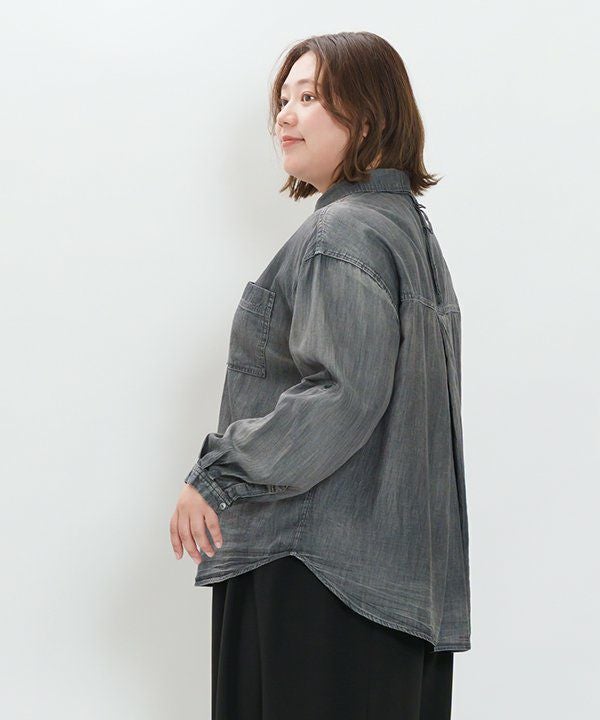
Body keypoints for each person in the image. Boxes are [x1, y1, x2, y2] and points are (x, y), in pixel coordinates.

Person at [170, 31, 471, 720]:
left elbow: (343, 394)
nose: (285, 114)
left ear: (368, 116)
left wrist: (217, 475)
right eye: (283, 98)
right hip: (397, 591)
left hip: (317, 575)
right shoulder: (410, 235)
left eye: (309, 97)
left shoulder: (342, 234)